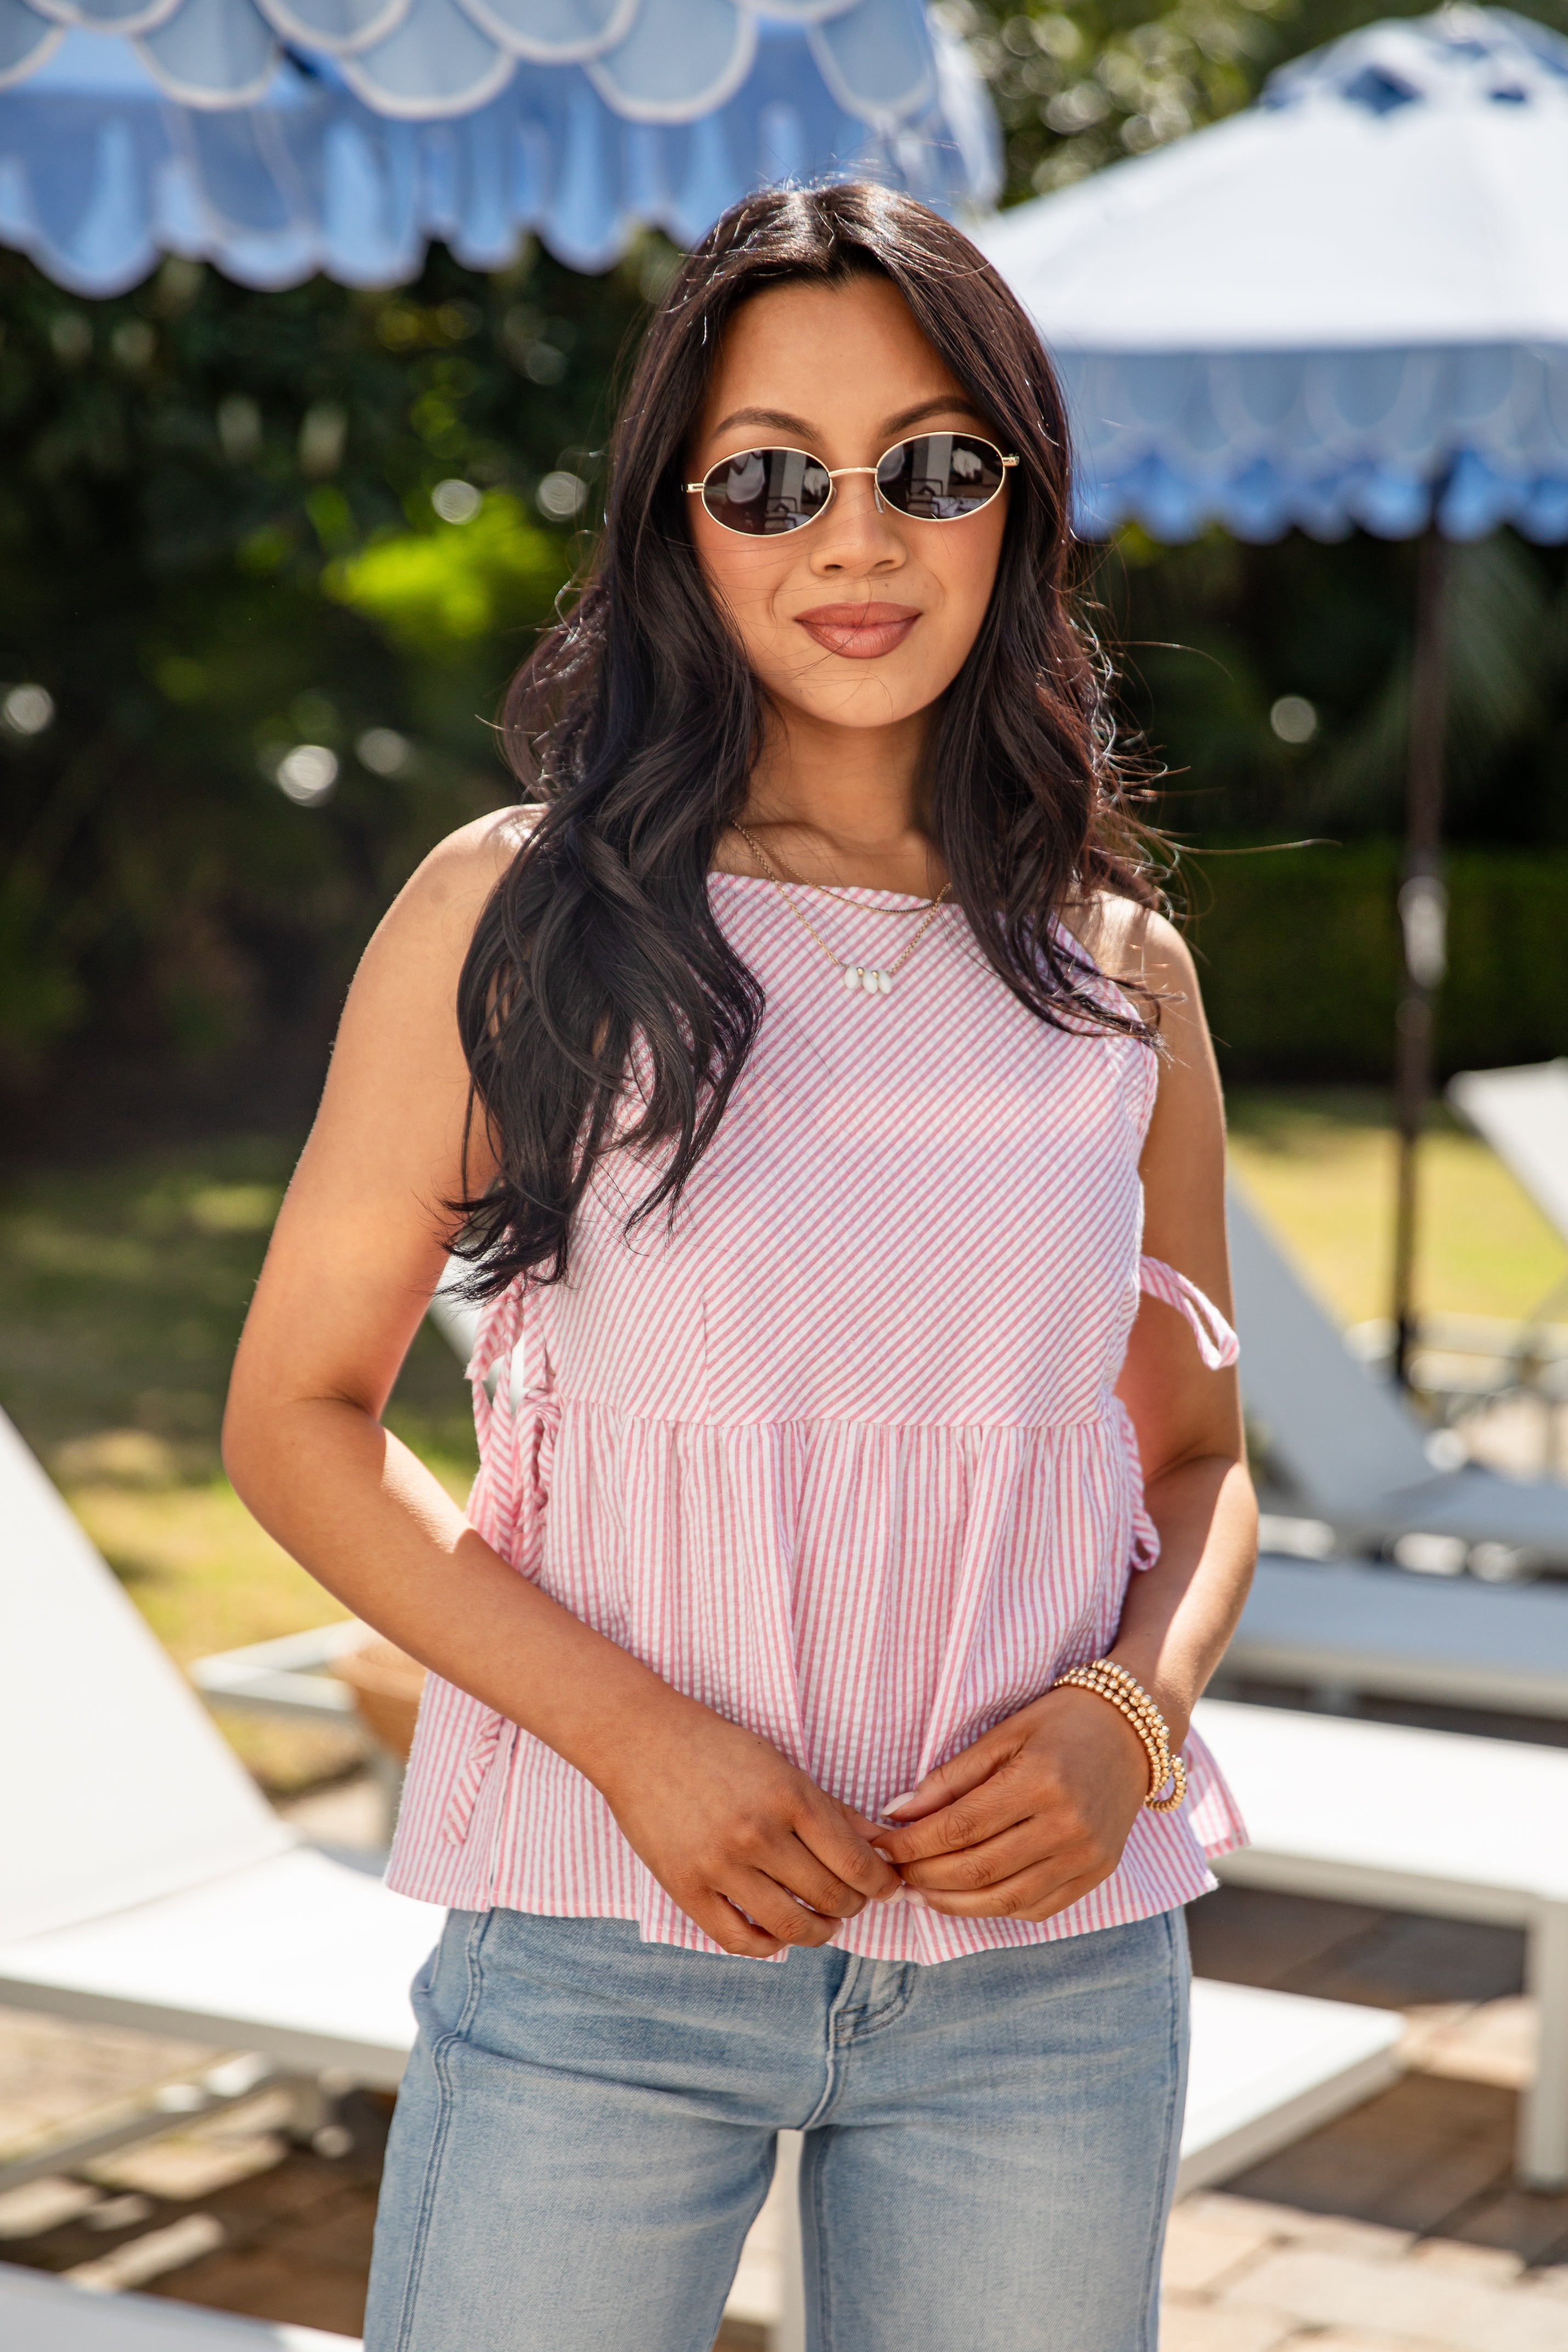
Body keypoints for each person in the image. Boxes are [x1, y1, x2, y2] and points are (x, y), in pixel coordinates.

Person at [223, 180, 1256, 2352]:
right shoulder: (510, 916)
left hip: (1044, 1987)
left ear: (1016, 504)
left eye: (931, 467)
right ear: (677, 525)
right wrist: (637, 1744)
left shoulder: (1120, 973)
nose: (856, 538)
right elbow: (297, 1419)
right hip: (593, 1955)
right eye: (772, 479)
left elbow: (1198, 1457)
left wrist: (1129, 1714)